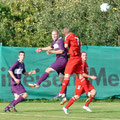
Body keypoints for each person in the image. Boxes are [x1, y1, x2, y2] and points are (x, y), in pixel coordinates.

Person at [28, 30, 68, 105]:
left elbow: (61, 51)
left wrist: (51, 52)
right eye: (52, 34)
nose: (53, 36)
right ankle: (64, 96)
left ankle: (37, 83)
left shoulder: (60, 41)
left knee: (48, 70)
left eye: (55, 34)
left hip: (61, 60)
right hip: (62, 61)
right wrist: (41, 49)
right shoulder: (55, 42)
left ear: (58, 34)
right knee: (63, 81)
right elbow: (50, 47)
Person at [56, 28, 91, 100]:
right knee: (80, 75)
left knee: (66, 75)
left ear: (64, 34)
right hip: (79, 58)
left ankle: (61, 92)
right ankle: (88, 92)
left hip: (73, 58)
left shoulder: (68, 36)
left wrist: (63, 50)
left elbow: (65, 46)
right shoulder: (76, 37)